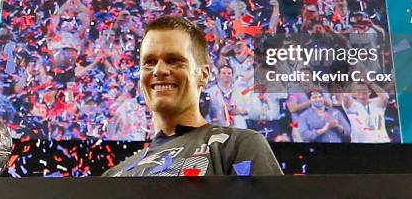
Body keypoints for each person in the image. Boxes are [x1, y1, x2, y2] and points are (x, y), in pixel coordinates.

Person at [102, 15, 283, 176]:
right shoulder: (113, 175)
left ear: (203, 74)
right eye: (149, 62)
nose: (159, 70)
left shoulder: (237, 146)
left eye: (174, 61)